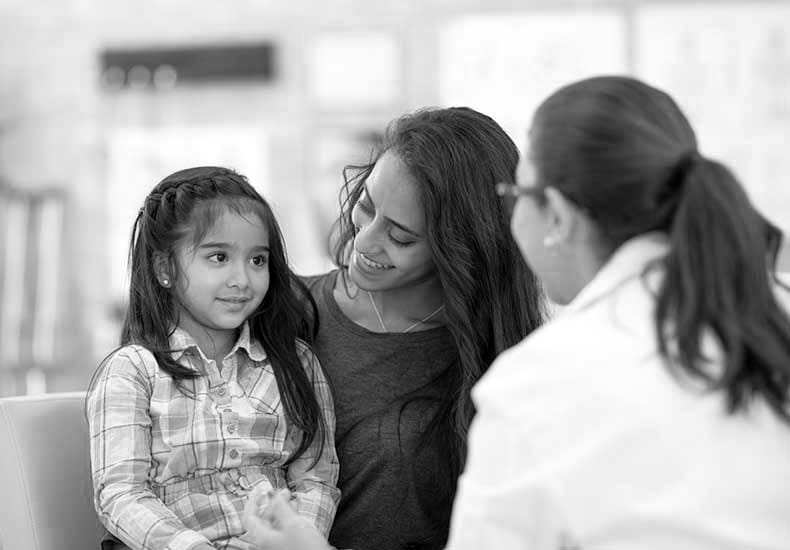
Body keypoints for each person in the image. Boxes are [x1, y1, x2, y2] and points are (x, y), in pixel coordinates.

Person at [243, 76, 790, 549]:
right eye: (365, 205)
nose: (366, 238)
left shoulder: (536, 376)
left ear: (558, 217)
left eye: (518, 194)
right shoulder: (763, 317)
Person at [301, 107, 546, 550]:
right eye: (365, 207)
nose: (365, 241)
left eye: (401, 237)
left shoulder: (499, 363)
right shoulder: (284, 309)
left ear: (457, 248)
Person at [86, 167, 340, 550]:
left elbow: (316, 480)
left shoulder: (296, 363)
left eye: (258, 260)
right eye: (219, 257)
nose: (243, 278)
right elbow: (121, 496)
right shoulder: (132, 372)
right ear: (164, 268)